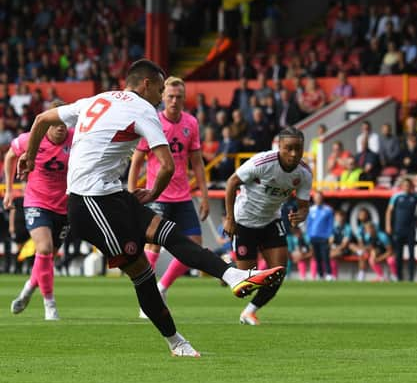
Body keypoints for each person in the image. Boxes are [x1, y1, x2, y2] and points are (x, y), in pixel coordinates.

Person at [19, 59, 284, 357]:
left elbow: (42, 118)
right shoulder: (144, 110)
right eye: (160, 89)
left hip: (112, 196)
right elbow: (167, 166)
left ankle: (233, 276)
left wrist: (29, 157)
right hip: (89, 203)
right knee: (142, 273)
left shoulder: (99, 98)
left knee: (170, 235)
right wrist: (154, 192)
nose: (160, 97)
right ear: (146, 85)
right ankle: (176, 342)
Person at [127, 76, 210, 318]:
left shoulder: (191, 123)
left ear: (184, 99)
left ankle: (161, 288)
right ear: (162, 97)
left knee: (195, 245)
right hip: (158, 194)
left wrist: (204, 196)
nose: (174, 101)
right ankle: (148, 300)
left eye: (179, 97)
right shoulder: (152, 121)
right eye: (170, 96)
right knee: (153, 245)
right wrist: (132, 193)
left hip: (183, 196)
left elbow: (197, 162)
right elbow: (137, 161)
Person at [223, 126, 312, 326]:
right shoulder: (262, 162)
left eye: (298, 148)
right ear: (279, 147)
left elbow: (304, 206)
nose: (294, 153)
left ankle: (249, 312)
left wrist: (301, 215)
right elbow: (231, 182)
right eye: (289, 148)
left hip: (272, 221)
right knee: (245, 285)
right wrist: (230, 219)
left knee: (279, 271)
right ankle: (226, 267)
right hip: (245, 220)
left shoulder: (304, 173)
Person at [4, 106, 73, 320]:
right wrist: (9, 190)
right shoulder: (32, 138)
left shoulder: (76, 139)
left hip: (64, 206)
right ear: (47, 123)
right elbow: (10, 156)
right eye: (56, 123)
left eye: (64, 123)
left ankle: (27, 291)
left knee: (47, 258)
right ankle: (49, 305)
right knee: (44, 248)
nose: (61, 128)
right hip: (37, 202)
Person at [385, 177, 417, 281]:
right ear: (402, 186)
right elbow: (389, 211)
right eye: (405, 185)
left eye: (409, 185)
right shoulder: (397, 197)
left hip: (410, 229)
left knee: (411, 254)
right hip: (398, 228)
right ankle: (399, 277)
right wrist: (388, 225)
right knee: (398, 254)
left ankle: (411, 277)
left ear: (411, 186)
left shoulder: (416, 197)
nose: (407, 187)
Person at [305, 191, 334, 280]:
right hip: (313, 236)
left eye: (320, 197)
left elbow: (330, 224)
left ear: (322, 198)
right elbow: (308, 224)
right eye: (316, 197)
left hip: (324, 237)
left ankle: (329, 274)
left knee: (325, 256)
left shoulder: (328, 210)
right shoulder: (311, 210)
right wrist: (308, 235)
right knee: (317, 257)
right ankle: (320, 274)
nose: (318, 199)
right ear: (314, 199)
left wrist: (330, 235)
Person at [328, 209, 353, 279]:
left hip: (345, 249)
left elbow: (345, 244)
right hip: (334, 248)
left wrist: (336, 249)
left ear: (344, 217)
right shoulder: (332, 227)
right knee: (329, 254)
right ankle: (331, 275)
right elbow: (330, 241)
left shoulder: (348, 228)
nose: (340, 219)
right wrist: (332, 248)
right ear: (335, 218)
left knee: (332, 255)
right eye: (338, 217)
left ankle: (333, 276)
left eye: (341, 217)